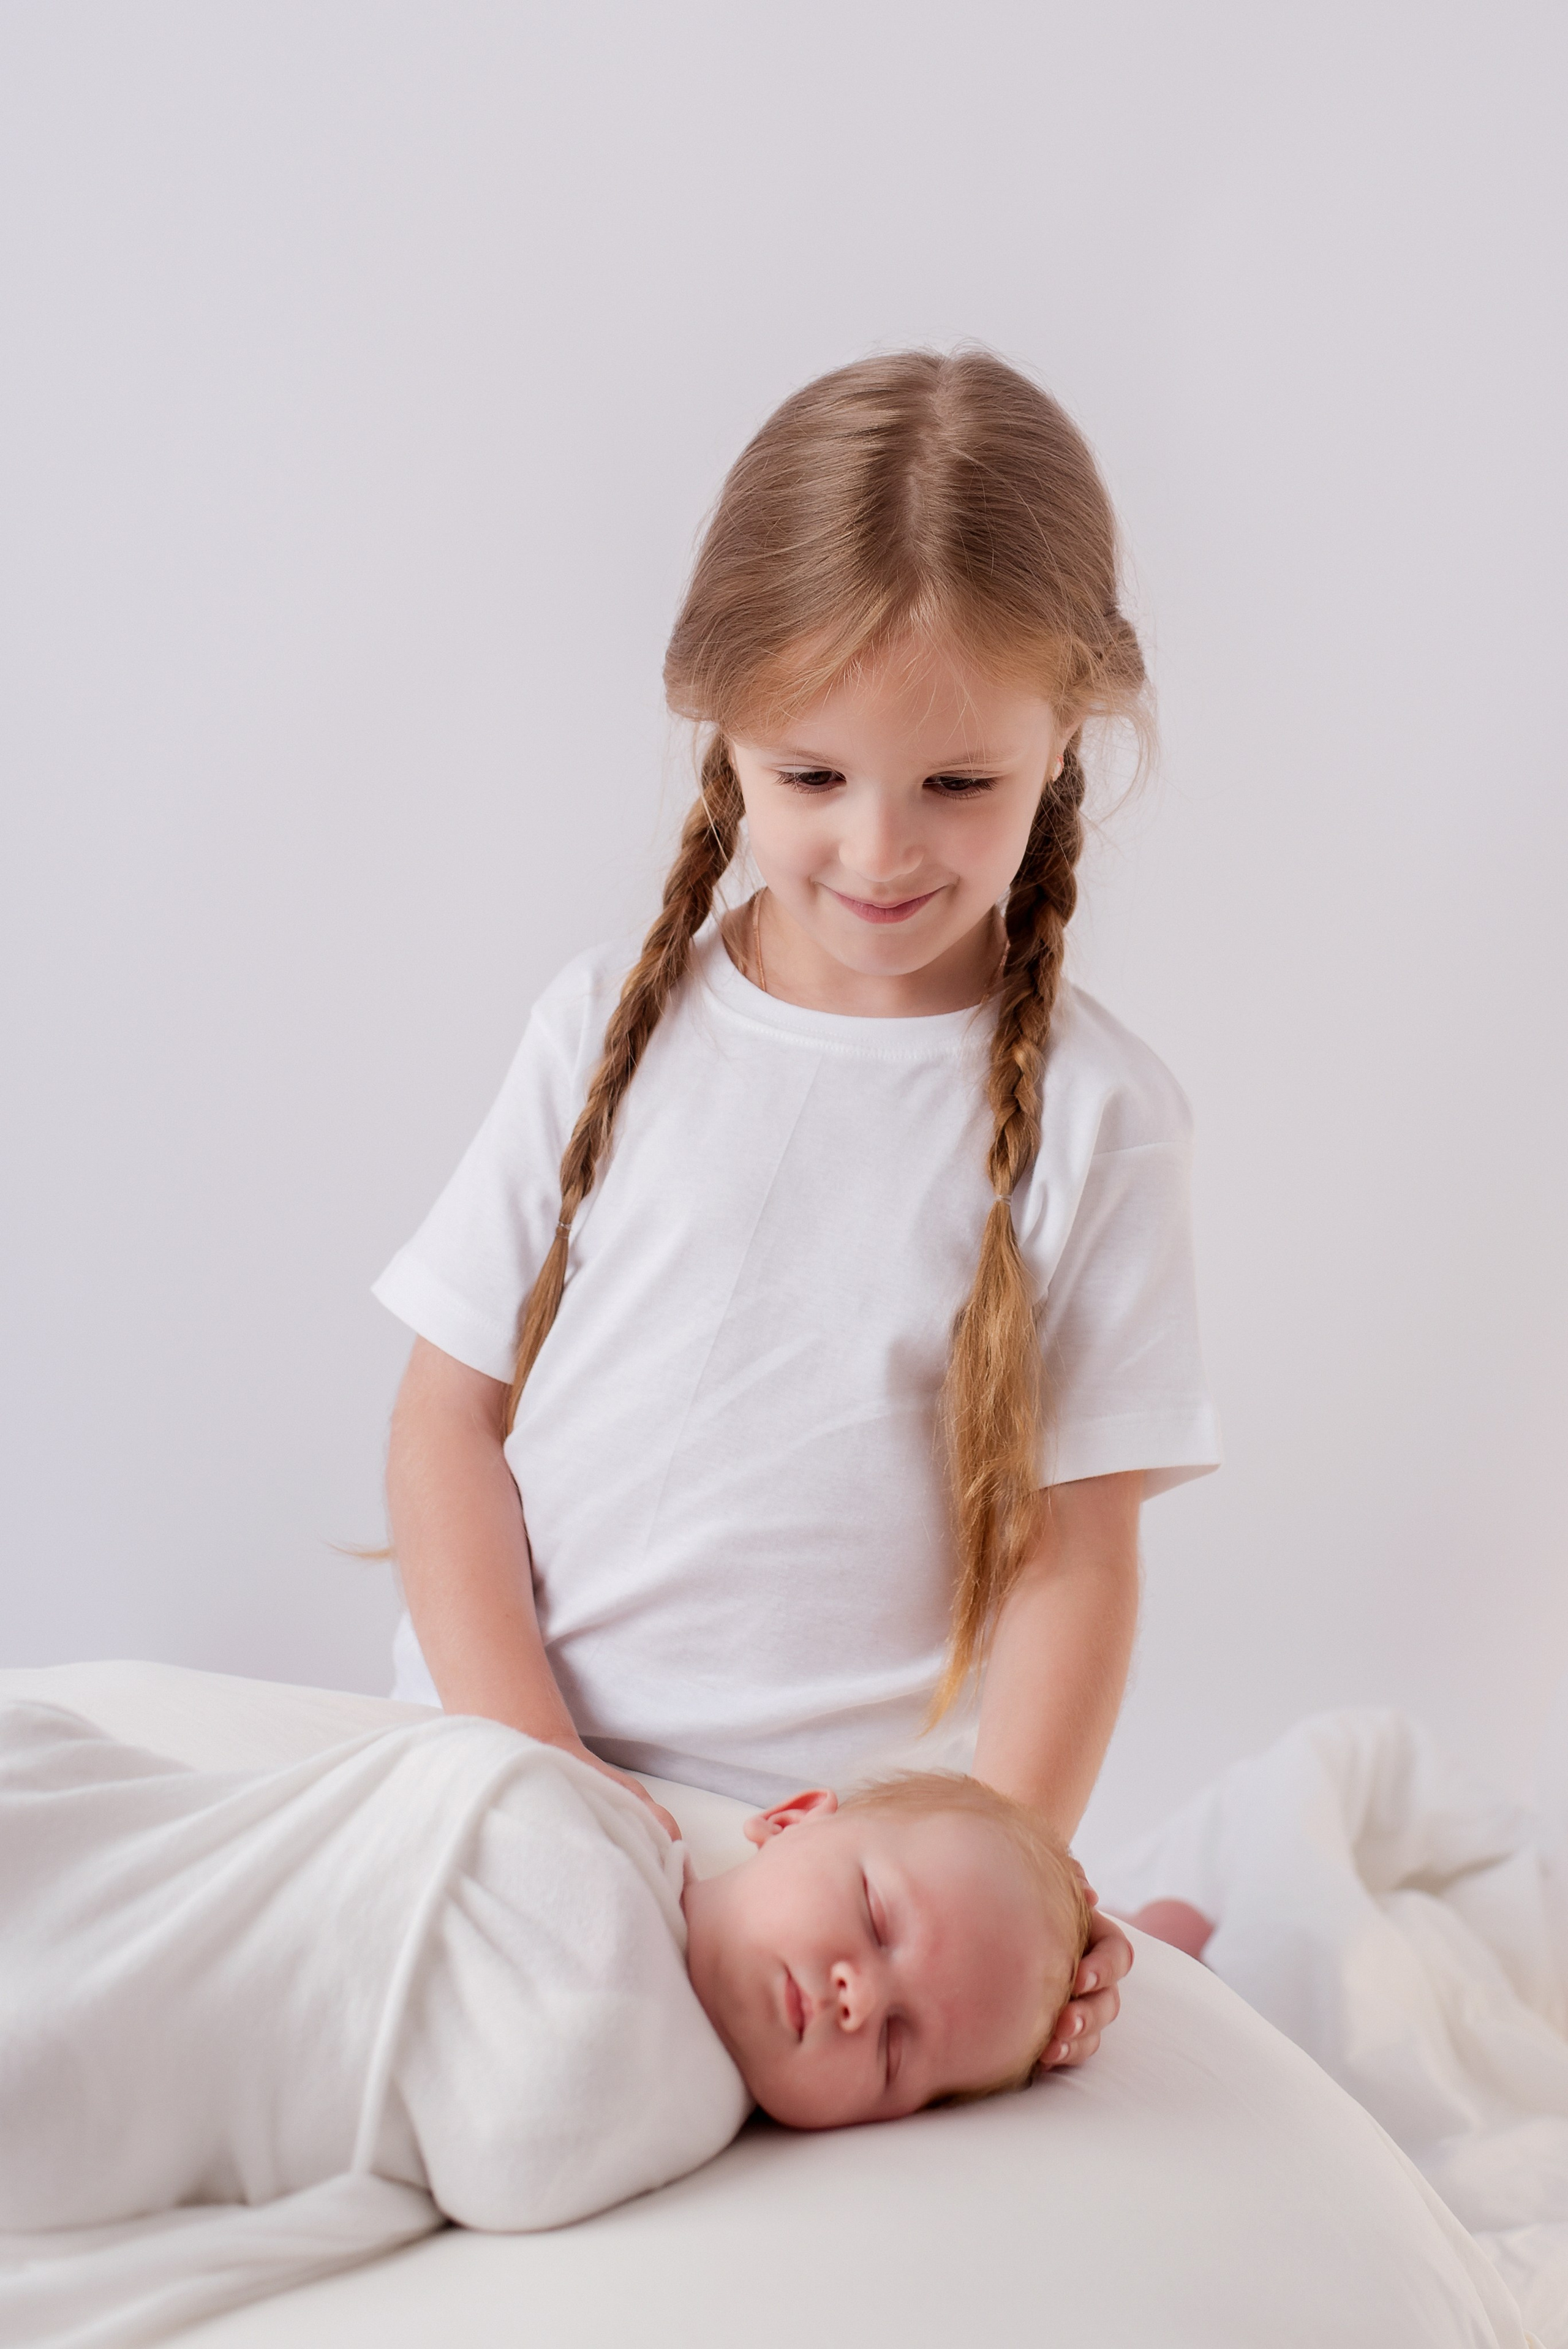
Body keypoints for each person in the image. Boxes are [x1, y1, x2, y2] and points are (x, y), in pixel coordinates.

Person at [373, 349, 1220, 2072]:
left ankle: (1165, 1937)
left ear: (1072, 729)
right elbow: (444, 1422)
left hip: (826, 1894)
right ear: (718, 717)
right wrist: (546, 1771)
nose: (881, 850)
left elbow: (1075, 1558)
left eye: (958, 784)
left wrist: (1020, 1877)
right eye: (812, 776)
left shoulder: (1098, 1122)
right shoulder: (609, 1024)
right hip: (500, 1772)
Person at [0, 1700, 1089, 2240]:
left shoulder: (676, 2101)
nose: (861, 1996)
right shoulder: (598, 1827)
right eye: (874, 1917)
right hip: (194, 1864)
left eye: (900, 2048)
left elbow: (520, 2156)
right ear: (791, 1819)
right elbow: (433, 1789)